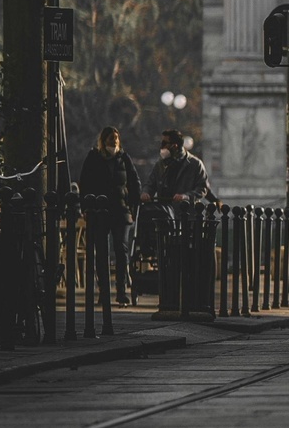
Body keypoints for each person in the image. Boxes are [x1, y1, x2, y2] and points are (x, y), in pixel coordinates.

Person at [78, 127, 141, 305]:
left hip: (121, 211)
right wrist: (86, 205)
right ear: (103, 140)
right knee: (101, 252)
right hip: (100, 210)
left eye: (116, 139)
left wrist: (134, 205)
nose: (114, 142)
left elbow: (134, 181)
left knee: (121, 250)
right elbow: (85, 182)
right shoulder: (94, 158)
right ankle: (103, 292)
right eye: (111, 138)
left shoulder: (124, 158)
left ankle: (121, 291)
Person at [143, 129, 211, 205]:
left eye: (165, 143)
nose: (162, 146)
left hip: (186, 212)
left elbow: (202, 188)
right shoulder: (160, 164)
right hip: (164, 212)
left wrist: (186, 197)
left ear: (175, 146)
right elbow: (151, 184)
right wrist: (146, 193)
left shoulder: (195, 164)